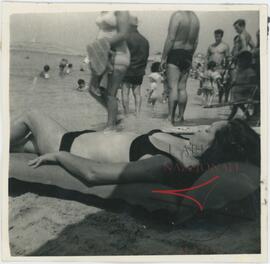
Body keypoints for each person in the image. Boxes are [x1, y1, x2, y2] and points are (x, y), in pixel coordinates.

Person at [10, 110, 260, 191]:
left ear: (214, 149)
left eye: (208, 131)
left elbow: (93, 175)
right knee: (18, 144)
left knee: (31, 114)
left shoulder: (166, 164)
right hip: (77, 138)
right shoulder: (190, 147)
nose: (202, 128)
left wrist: (59, 156)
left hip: (64, 145)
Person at [87, 11, 131, 130]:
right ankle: (117, 115)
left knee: (111, 93)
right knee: (92, 89)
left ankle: (110, 126)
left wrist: (102, 43)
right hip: (102, 53)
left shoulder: (121, 9)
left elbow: (124, 34)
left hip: (118, 54)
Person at [160, 11, 200, 125]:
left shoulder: (177, 15)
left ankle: (170, 117)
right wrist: (190, 56)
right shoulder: (195, 18)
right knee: (182, 88)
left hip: (175, 53)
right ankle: (181, 116)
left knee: (173, 88)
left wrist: (163, 58)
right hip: (188, 54)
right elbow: (196, 41)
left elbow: (171, 38)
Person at [121, 16, 150, 117]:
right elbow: (146, 57)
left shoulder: (125, 38)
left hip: (127, 70)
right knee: (137, 92)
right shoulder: (144, 40)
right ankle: (137, 114)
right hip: (139, 70)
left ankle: (126, 114)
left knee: (125, 92)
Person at [228, 51, 257, 121]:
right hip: (238, 93)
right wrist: (233, 83)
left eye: (241, 61)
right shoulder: (239, 71)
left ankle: (230, 118)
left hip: (245, 92)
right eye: (238, 61)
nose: (239, 63)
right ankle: (247, 116)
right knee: (238, 104)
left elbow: (252, 83)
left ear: (247, 61)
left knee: (237, 104)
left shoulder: (250, 71)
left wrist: (239, 84)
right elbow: (236, 80)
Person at [206, 29, 230, 103]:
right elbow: (207, 57)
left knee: (222, 85)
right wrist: (205, 69)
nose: (217, 38)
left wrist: (227, 69)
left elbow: (228, 58)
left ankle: (222, 100)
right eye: (215, 36)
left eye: (218, 36)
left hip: (221, 68)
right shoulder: (210, 46)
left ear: (221, 36)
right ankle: (210, 100)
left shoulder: (225, 46)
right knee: (210, 85)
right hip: (211, 68)